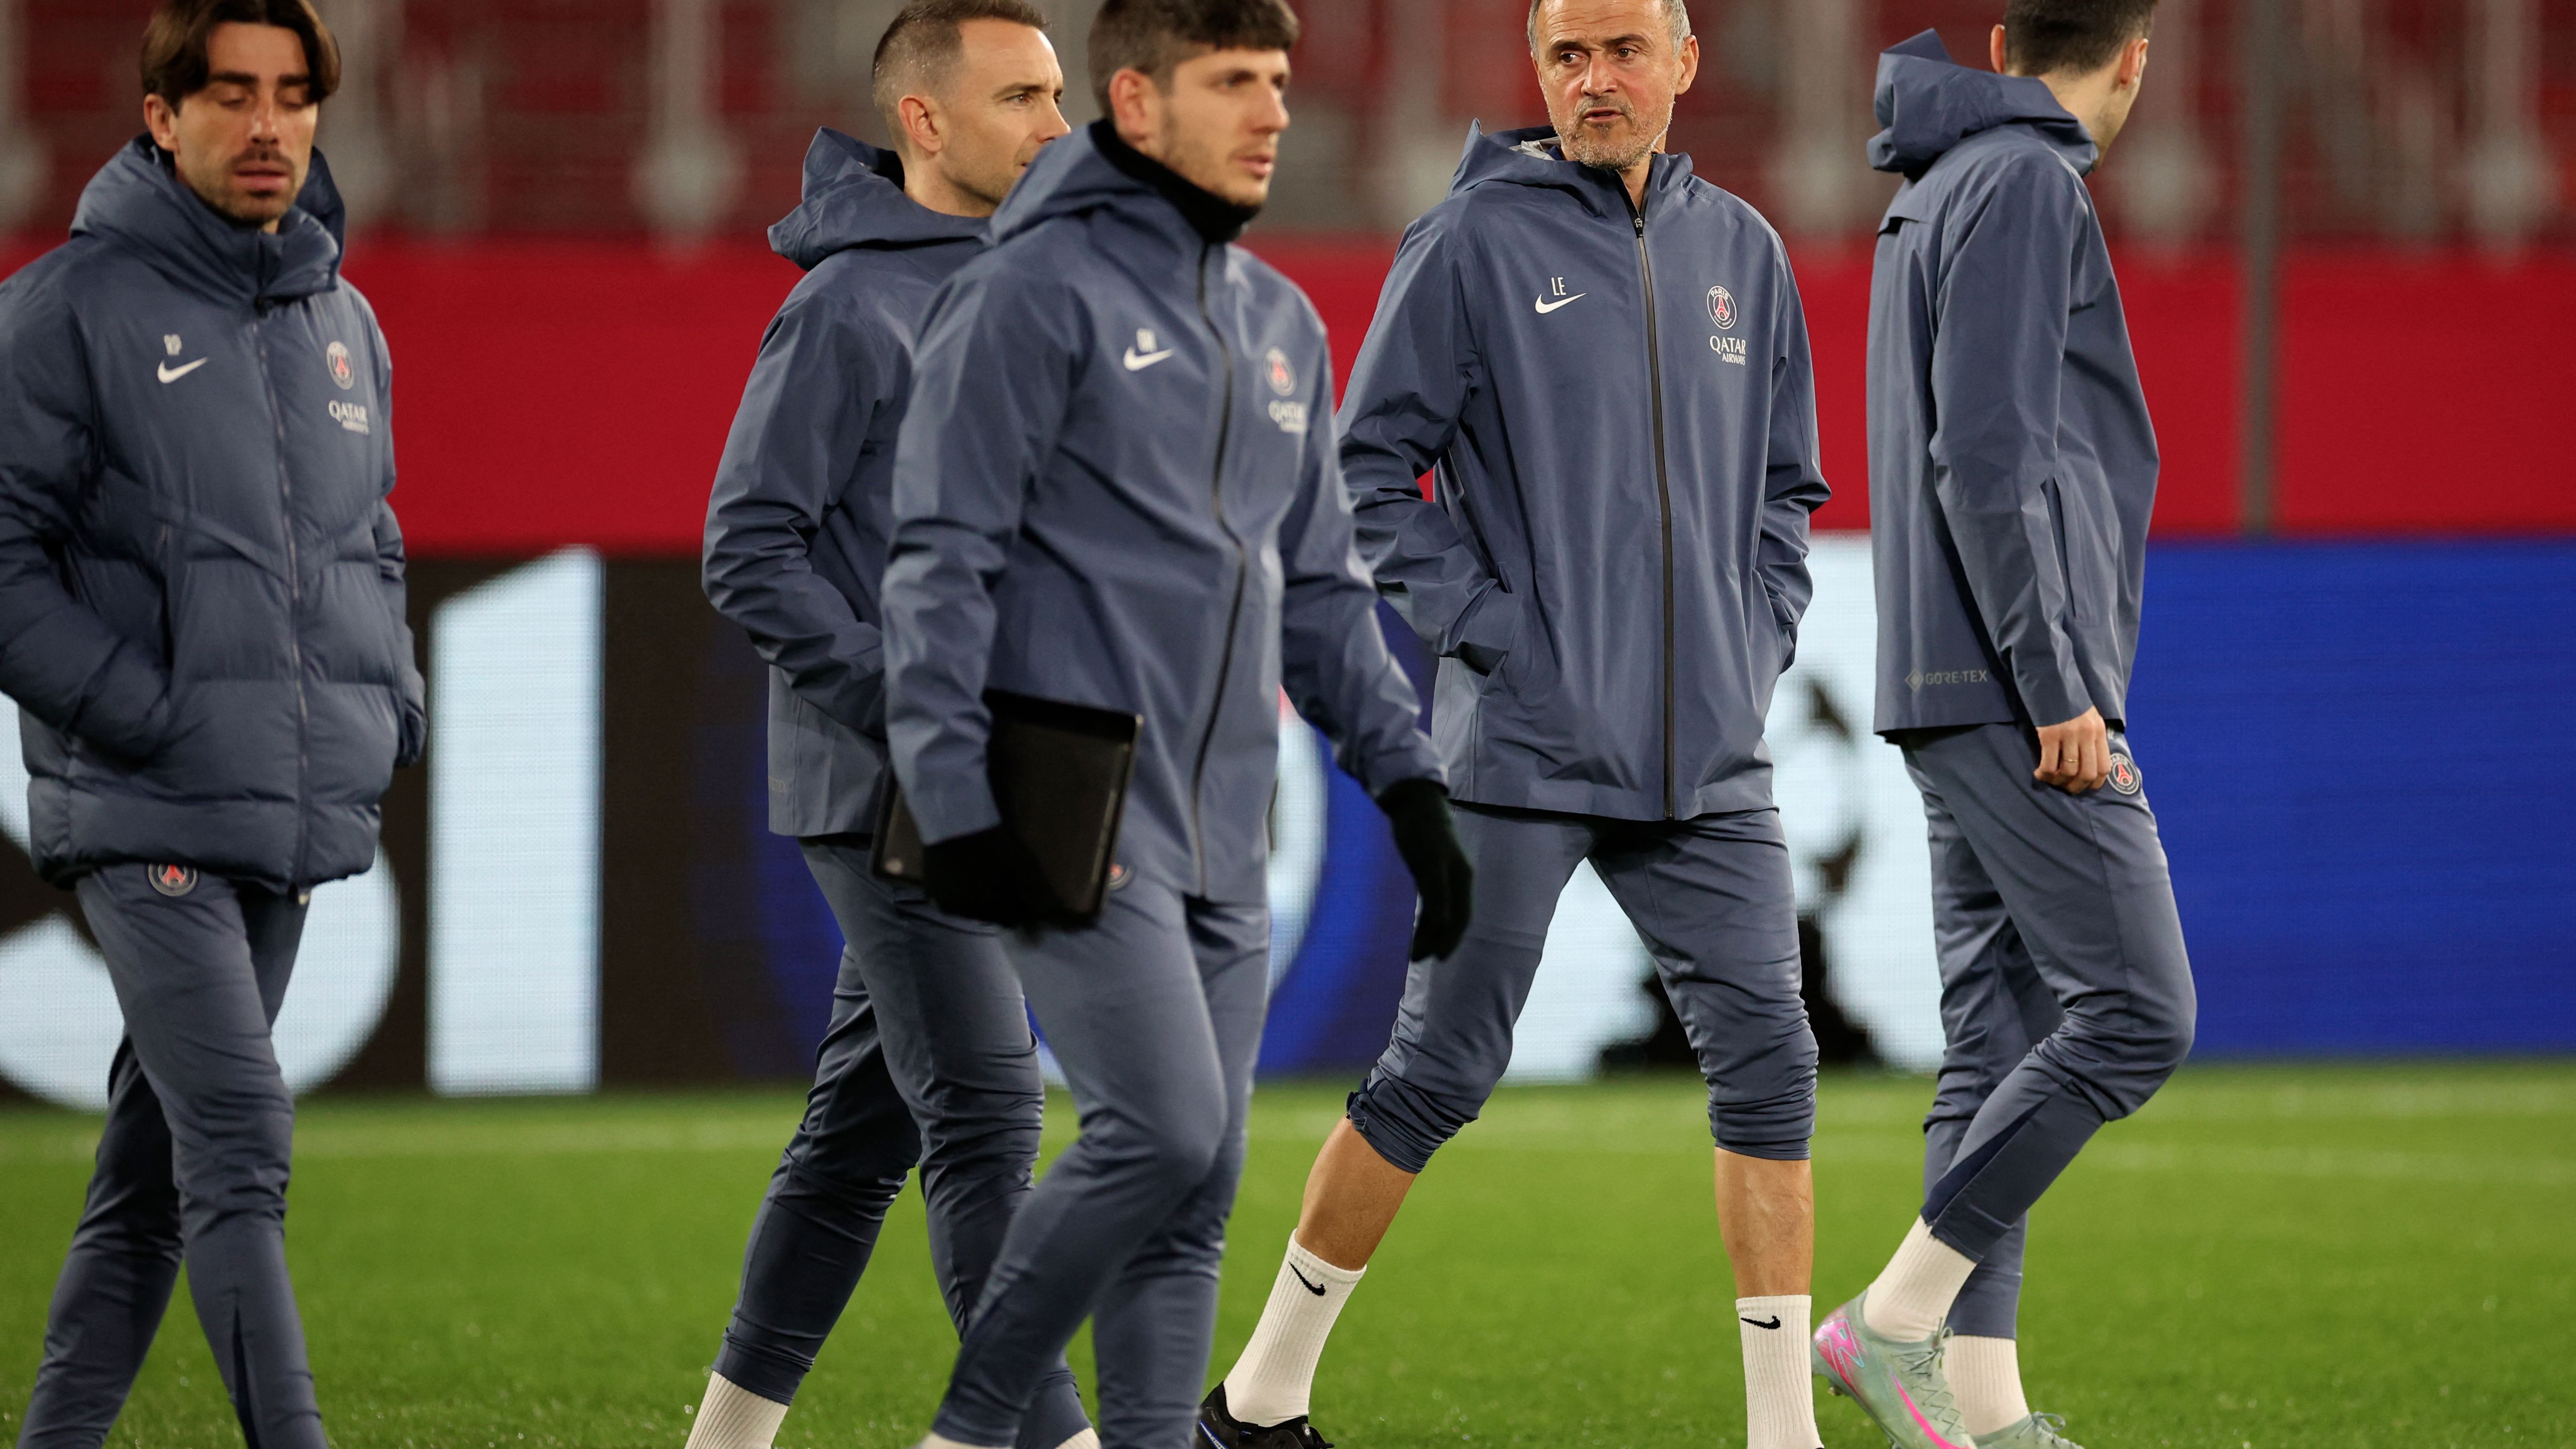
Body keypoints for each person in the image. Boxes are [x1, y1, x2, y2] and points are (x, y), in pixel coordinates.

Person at [1204, 2, 1834, 1446]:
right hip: (1525, 752)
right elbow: (1367, 477)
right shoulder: (1470, 242)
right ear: (1539, 73)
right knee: (1436, 1072)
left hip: (1712, 761)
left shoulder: (1743, 250)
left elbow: (1787, 492)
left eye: (1623, 49)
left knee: (1774, 1065)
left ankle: (1783, 1433)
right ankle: (1259, 1398)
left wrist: (1757, 641)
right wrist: (1499, 638)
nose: (1595, 80)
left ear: (1685, 61)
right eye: (1567, 56)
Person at [878, 1, 1475, 1444]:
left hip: (1231, 831)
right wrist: (954, 802)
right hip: (1074, 812)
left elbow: (1324, 588)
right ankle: (967, 1434)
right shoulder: (1030, 290)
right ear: (1135, 104)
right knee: (1163, 1131)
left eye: (1278, 80)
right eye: (1232, 84)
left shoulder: (1279, 319)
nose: (1274, 111)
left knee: (1195, 1197)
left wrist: (1406, 783)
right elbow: (938, 562)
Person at [0, 3, 422, 1446]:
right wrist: (144, 712)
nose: (268, 126)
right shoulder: (67, 308)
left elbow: (366, 536)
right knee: (239, 1135)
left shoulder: (342, 316)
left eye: (294, 95)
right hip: (145, 805)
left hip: (284, 807)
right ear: (160, 114)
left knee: (147, 1188)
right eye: (231, 93)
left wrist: (397, 695)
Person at [689, 6, 1089, 1449]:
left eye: (1059, 96)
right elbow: (750, 543)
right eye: (1022, 98)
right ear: (925, 121)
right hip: (885, 784)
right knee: (988, 1120)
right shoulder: (848, 306)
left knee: (861, 1138)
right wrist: (905, 698)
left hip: (1010, 776)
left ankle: (724, 1440)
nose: (1058, 126)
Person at [1810, 8, 2193, 1449]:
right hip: (2015, 688)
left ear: (2000, 36)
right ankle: (1896, 1319)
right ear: (2135, 56)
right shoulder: (2029, 180)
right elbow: (1993, 457)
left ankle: (1981, 1407)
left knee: (1997, 1040)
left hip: (1939, 679)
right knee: (2142, 1011)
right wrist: (2057, 681)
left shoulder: (1933, 186)